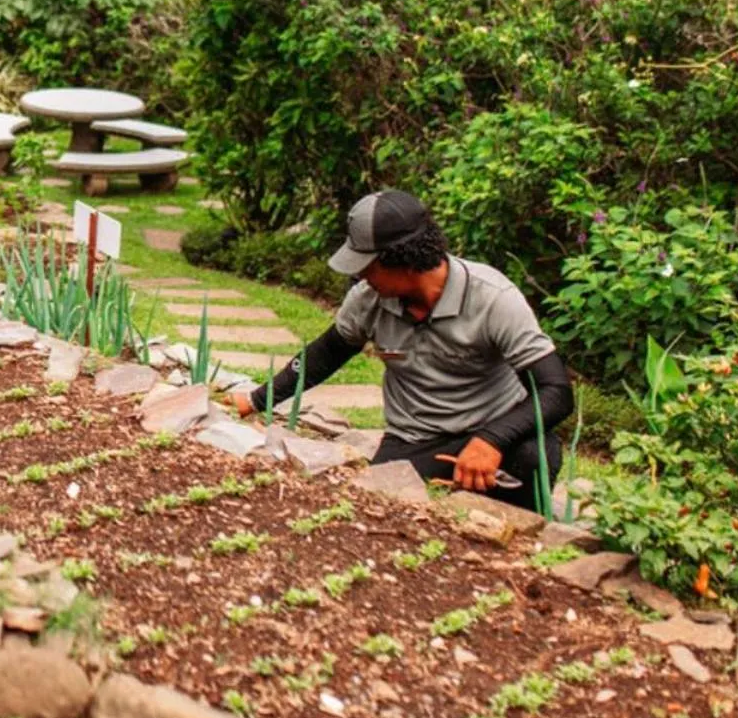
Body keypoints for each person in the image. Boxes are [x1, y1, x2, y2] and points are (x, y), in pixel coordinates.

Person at [222, 190, 573, 512]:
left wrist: (492, 439)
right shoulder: (368, 300)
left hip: (495, 431)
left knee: (534, 456)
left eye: (367, 265)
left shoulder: (493, 298)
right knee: (377, 508)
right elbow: (325, 354)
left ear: (402, 258)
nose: (360, 276)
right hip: (415, 440)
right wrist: (256, 400)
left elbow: (555, 391)